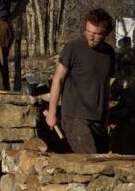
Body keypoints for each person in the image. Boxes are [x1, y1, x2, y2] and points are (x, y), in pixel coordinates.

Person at [46, 8, 115, 153]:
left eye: (97, 34)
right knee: (90, 162)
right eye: (88, 31)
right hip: (75, 115)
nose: (91, 36)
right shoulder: (73, 48)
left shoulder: (109, 53)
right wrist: (52, 112)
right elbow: (58, 79)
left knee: (103, 164)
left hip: (98, 118)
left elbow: (106, 85)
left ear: (106, 34)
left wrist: (106, 118)